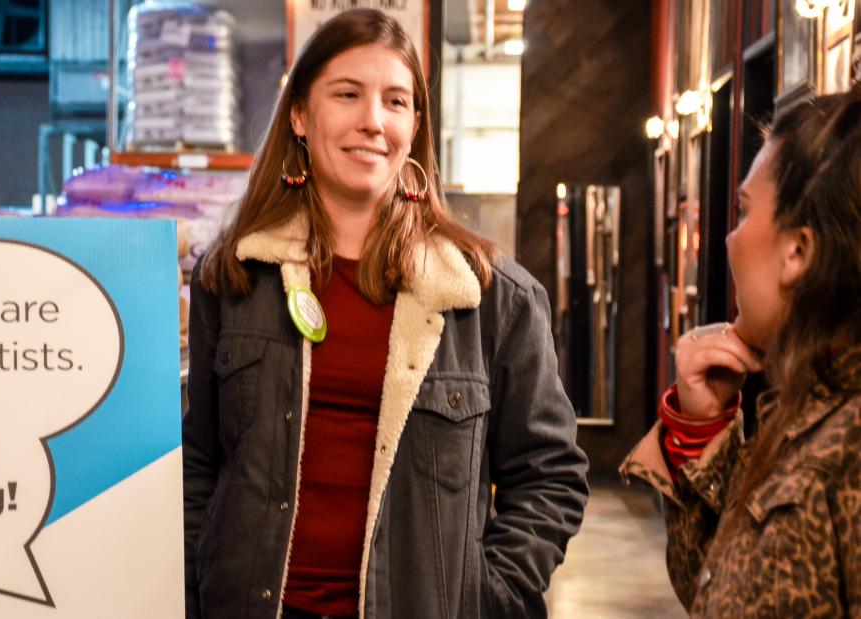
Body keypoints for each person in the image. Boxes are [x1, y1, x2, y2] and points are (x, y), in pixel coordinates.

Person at [183, 8, 588, 619]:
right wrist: (197, 580)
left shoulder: (489, 298)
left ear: (415, 124)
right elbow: (199, 464)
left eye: (396, 101)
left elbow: (550, 474)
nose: (373, 121)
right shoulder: (236, 275)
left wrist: (484, 595)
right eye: (347, 94)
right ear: (299, 114)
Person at [622, 88, 861, 616]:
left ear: (798, 251)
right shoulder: (798, 407)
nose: (729, 239)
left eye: (745, 211)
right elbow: (712, 588)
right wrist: (699, 429)